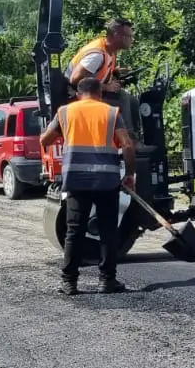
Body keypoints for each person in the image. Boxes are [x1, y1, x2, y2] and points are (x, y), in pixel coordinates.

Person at [40, 76, 136, 296]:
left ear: (78, 93)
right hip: (107, 181)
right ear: (100, 94)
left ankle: (69, 282)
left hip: (76, 180)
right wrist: (129, 174)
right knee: (108, 231)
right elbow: (128, 145)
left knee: (74, 230)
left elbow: (45, 140)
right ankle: (107, 281)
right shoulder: (111, 112)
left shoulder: (65, 112)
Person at [67, 18, 141, 145]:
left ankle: (138, 138)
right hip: (77, 96)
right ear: (117, 35)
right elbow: (75, 79)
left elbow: (98, 71)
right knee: (122, 96)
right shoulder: (97, 55)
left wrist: (116, 71)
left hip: (93, 93)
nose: (131, 40)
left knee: (133, 101)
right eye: (128, 36)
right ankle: (130, 142)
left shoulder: (109, 50)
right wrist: (106, 87)